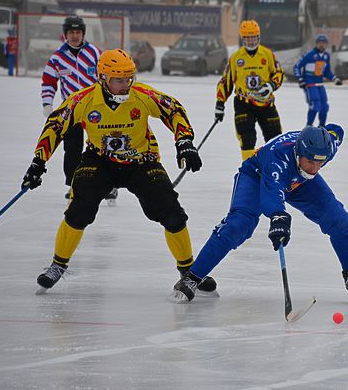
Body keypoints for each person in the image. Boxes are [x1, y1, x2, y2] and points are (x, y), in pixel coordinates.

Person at [22, 48, 216, 295]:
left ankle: (188, 271)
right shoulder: (83, 100)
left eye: (129, 79)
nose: (125, 85)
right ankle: (58, 265)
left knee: (172, 213)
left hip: (141, 160)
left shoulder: (142, 95)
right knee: (79, 209)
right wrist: (38, 162)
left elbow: (174, 109)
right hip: (100, 161)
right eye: (119, 80)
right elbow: (56, 125)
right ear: (103, 78)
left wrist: (185, 142)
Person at [173, 124, 348, 305]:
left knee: (339, 220)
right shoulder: (278, 158)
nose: (315, 168)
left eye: (320, 162)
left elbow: (337, 130)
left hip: (297, 182)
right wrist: (279, 217)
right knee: (239, 224)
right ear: (299, 152)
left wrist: (326, 135)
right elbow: (272, 193)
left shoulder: (326, 148)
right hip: (258, 176)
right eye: (310, 161)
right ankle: (193, 277)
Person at [41, 16, 111, 200]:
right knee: (72, 149)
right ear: (65, 34)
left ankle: (109, 184)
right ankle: (73, 185)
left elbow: (108, 75)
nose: (74, 36)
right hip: (71, 110)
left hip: (96, 108)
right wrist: (48, 103)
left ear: (83, 34)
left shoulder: (95, 53)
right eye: (71, 32)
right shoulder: (57, 57)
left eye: (78, 32)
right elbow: (48, 81)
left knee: (103, 146)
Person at [214, 20, 285, 161]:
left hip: (266, 104)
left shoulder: (267, 54)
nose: (251, 41)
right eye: (247, 38)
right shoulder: (236, 58)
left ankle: (275, 167)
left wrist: (270, 86)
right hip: (243, 103)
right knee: (247, 138)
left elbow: (279, 73)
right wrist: (220, 104)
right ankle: (249, 169)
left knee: (276, 139)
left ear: (258, 37)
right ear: (242, 38)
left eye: (253, 37)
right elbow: (226, 81)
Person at [293, 34, 342, 127]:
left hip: (319, 83)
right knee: (315, 105)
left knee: (324, 107)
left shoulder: (326, 56)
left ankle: (321, 128)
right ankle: (308, 126)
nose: (321, 45)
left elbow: (327, 71)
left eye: (323, 43)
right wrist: (300, 79)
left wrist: (335, 78)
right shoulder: (309, 55)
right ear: (316, 44)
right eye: (319, 43)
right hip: (310, 83)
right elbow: (296, 66)